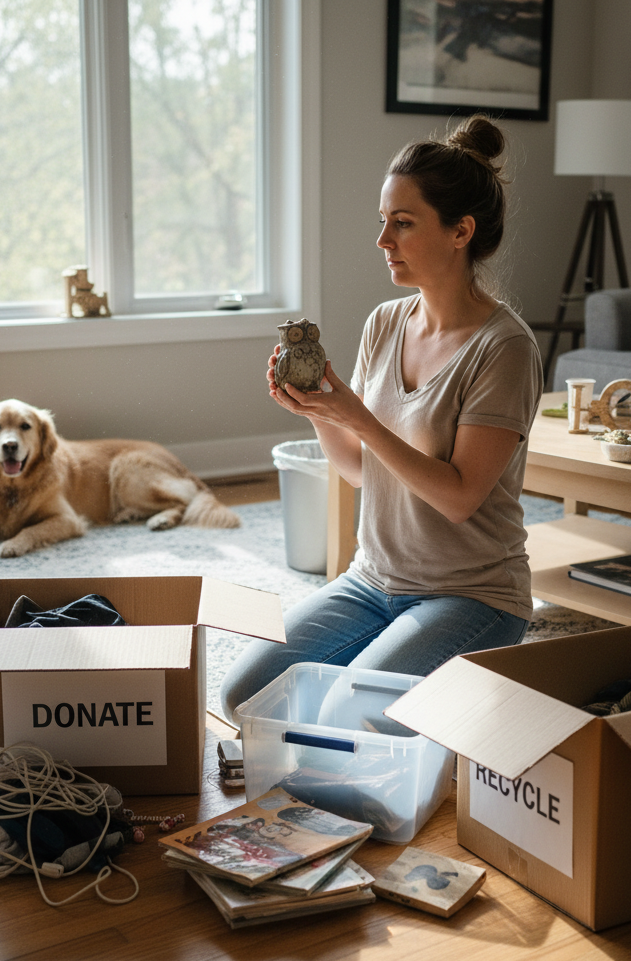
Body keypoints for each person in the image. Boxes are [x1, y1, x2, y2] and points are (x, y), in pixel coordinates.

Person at [220, 114, 543, 725]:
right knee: (242, 697)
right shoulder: (385, 323)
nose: (382, 240)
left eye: (402, 223)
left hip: (472, 595)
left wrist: (361, 418)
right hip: (372, 583)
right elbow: (362, 471)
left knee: (351, 715)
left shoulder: (505, 348)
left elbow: (459, 497)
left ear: (460, 232)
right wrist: (317, 410)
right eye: (382, 221)